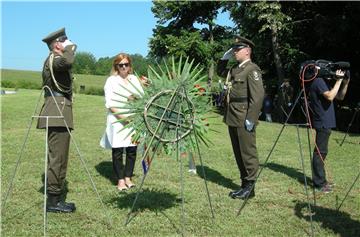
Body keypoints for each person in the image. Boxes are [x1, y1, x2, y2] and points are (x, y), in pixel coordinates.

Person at [217, 36, 264, 200]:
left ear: (247, 51)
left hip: (244, 117)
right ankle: (244, 184)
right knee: (238, 152)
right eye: (234, 49)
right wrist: (224, 58)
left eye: (238, 49)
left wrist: (251, 119)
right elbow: (220, 72)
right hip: (233, 115)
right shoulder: (235, 69)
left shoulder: (252, 69)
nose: (235, 52)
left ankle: (250, 186)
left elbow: (257, 97)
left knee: (247, 152)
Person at [37, 27, 77, 213]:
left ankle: (56, 197)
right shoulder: (56, 59)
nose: (68, 42)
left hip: (59, 109)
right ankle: (53, 202)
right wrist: (70, 47)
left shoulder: (54, 60)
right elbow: (68, 61)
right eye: (65, 40)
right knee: (58, 158)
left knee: (60, 157)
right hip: (57, 111)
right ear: (57, 44)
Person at [100, 53, 144, 191]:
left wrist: (134, 98)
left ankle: (128, 177)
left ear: (130, 66)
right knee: (118, 149)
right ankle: (120, 180)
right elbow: (110, 102)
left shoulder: (134, 79)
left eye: (126, 64)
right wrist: (123, 118)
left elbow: (141, 97)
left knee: (132, 149)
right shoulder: (111, 81)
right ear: (116, 66)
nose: (124, 67)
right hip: (117, 119)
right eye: (121, 65)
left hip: (133, 119)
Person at [308, 69, 350, 193]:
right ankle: (319, 183)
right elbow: (330, 96)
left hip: (326, 122)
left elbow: (340, 97)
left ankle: (322, 181)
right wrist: (339, 80)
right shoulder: (318, 81)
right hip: (322, 122)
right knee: (320, 152)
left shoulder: (324, 82)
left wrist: (345, 83)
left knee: (322, 152)